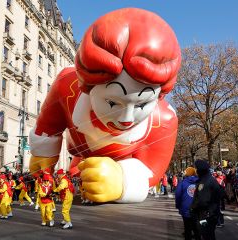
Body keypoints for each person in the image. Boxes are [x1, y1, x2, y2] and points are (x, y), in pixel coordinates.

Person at [29, 8, 181, 204]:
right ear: (87, 86)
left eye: (142, 104)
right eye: (112, 102)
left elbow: (151, 169)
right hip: (79, 155)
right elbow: (49, 125)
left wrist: (123, 180)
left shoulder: (165, 120)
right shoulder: (66, 85)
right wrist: (43, 153)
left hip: (123, 158)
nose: (126, 118)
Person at [190, 160, 222, 240]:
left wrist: (193, 208)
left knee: (206, 233)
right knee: (208, 234)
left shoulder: (204, 182)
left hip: (206, 215)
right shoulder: (209, 179)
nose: (196, 171)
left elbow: (201, 200)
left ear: (200, 170)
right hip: (210, 213)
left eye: (197, 169)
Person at [175, 167, 199, 240]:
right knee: (197, 229)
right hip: (197, 209)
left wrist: (178, 206)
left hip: (186, 208)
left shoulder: (182, 183)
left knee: (187, 229)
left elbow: (178, 195)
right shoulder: (199, 182)